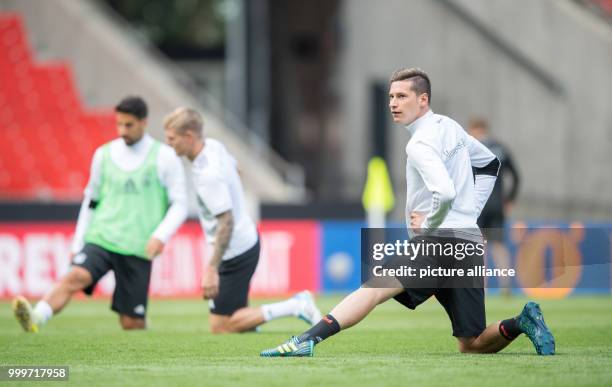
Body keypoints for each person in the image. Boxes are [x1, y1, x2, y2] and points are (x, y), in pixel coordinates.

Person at [260, 68, 554, 357]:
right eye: (391, 97)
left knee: (373, 290)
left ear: (423, 99)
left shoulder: (419, 144)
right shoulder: (450, 126)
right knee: (472, 342)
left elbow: (446, 191)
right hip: (468, 242)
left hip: (439, 241)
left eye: (402, 96)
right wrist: (469, 213)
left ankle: (306, 339)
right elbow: (490, 164)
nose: (393, 103)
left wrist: (432, 223)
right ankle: (521, 322)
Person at [13, 96, 189, 332]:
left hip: (138, 246)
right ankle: (36, 317)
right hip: (102, 237)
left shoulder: (164, 157)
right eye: (119, 124)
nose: (122, 130)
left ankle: (140, 320)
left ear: (143, 122)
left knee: (131, 323)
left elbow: (180, 204)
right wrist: (79, 241)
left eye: (129, 125)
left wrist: (161, 235)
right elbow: (91, 201)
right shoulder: (104, 154)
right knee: (74, 276)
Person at [163, 107, 321, 333]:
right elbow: (237, 170)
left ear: (188, 136)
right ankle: (250, 324)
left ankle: (296, 306)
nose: (169, 144)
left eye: (172, 139)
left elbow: (226, 221)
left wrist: (211, 269)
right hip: (245, 238)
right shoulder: (214, 147)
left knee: (221, 326)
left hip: (235, 250)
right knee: (235, 319)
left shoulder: (207, 176)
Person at [468, 118, 520, 296]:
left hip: (479, 204)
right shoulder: (501, 148)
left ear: (476, 129)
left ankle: (482, 286)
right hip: (498, 204)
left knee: (479, 246)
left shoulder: (472, 148)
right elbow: (516, 175)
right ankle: (506, 284)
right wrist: (510, 199)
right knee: (499, 246)